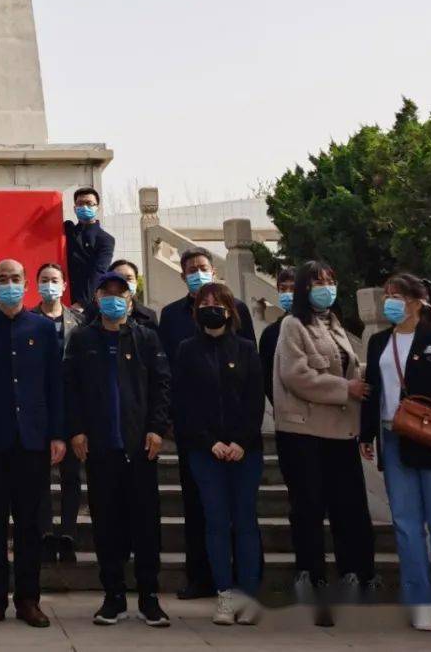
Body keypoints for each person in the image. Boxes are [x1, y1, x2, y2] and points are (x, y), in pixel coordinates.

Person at [0, 259, 65, 629]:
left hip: (32, 441)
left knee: (30, 526)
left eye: (15, 278)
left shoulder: (44, 329)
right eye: (2, 279)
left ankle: (29, 600)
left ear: (26, 283)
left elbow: (55, 385)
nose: (9, 284)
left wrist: (56, 433)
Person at [361, 273, 431, 633]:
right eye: (387, 294)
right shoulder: (378, 342)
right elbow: (372, 391)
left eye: (398, 295)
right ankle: (419, 602)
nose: (390, 301)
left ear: (418, 301)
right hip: (394, 440)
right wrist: (366, 434)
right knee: (407, 526)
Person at [64, 271, 171, 627]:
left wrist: (157, 428)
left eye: (119, 292)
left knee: (145, 525)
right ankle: (113, 595)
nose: (113, 298)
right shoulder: (82, 339)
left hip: (140, 447)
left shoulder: (146, 338)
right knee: (106, 524)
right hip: (100, 448)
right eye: (106, 292)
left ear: (130, 298)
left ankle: (149, 596)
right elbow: (72, 389)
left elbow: (161, 385)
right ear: (96, 298)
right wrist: (77, 430)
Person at [273, 258, 376, 622]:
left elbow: (353, 367)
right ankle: (312, 579)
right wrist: (345, 387)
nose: (326, 287)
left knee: (349, 508)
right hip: (304, 434)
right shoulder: (292, 325)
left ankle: (356, 577)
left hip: (341, 432)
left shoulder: (335, 326)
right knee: (309, 508)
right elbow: (296, 375)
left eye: (330, 280)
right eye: (317, 281)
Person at [157, 246, 255, 600]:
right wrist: (170, 418)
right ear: (182, 277)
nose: (198, 273)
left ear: (213, 270)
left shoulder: (238, 310)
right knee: (196, 505)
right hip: (194, 432)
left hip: (236, 432)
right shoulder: (170, 316)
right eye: (191, 270)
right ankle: (201, 576)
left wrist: (243, 434)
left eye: (203, 267)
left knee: (238, 511)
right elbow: (167, 371)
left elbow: (252, 375)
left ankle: (241, 579)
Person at [173, 282, 265, 627]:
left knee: (244, 521)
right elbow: (183, 403)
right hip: (204, 449)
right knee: (215, 520)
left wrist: (241, 441)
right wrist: (209, 441)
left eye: (218, 302)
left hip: (246, 450)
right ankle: (224, 594)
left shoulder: (245, 349)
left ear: (231, 309)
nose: (211, 307)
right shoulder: (186, 350)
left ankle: (249, 594)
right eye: (204, 302)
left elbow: (256, 400)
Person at [31, 263, 81, 565]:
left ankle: (69, 534)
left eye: (55, 280)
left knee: (71, 476)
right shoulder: (28, 320)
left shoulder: (80, 321)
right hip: (38, 406)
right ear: (37, 285)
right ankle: (46, 534)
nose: (50, 284)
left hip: (72, 406)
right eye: (44, 279)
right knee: (39, 476)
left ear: (63, 286)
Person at [62, 187, 115, 312]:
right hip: (63, 295)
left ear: (97, 207)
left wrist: (81, 302)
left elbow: (99, 271)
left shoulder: (105, 239)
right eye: (80, 204)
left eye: (89, 203)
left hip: (87, 302)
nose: (84, 207)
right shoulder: (68, 230)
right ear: (75, 208)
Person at [83, 259, 158, 329]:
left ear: (136, 282)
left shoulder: (148, 316)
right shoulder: (89, 314)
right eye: (118, 278)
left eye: (129, 278)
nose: (124, 282)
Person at [258, 266, 295, 403]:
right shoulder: (271, 333)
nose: (288, 294)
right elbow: (267, 378)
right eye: (283, 289)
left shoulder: (321, 325)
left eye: (293, 288)